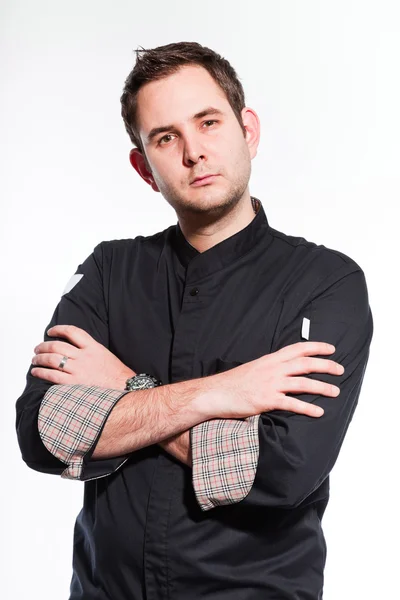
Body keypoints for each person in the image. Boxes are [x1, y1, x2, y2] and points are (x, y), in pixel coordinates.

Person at [15, 41, 373, 600]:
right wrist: (224, 394)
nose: (194, 152)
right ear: (144, 168)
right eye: (166, 137)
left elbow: (280, 473)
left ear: (247, 129)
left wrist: (121, 394)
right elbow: (42, 433)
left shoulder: (325, 283)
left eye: (208, 123)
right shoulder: (110, 271)